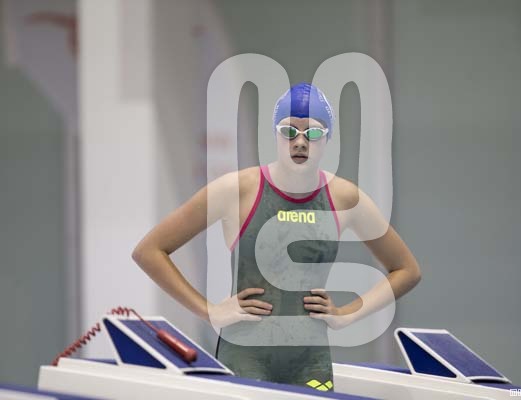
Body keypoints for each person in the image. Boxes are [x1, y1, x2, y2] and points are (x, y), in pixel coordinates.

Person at [132, 82, 421, 391]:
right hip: (245, 357)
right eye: (288, 131)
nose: (300, 142)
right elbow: (149, 250)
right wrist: (209, 311)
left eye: (313, 133)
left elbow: (407, 270)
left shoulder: (344, 197)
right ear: (275, 134)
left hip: (310, 361)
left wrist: (346, 315)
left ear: (328, 139)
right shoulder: (236, 190)